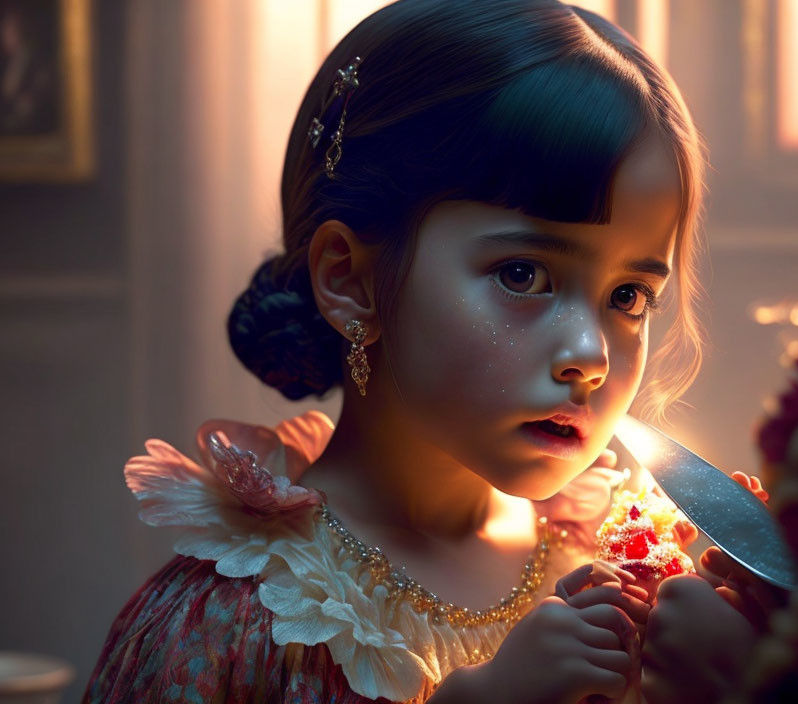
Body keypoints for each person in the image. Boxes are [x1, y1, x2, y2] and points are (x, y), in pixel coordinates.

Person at [83, 1, 709, 702]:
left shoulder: (624, 572)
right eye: (523, 274)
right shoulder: (240, 619)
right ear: (349, 281)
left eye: (629, 297)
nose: (589, 354)